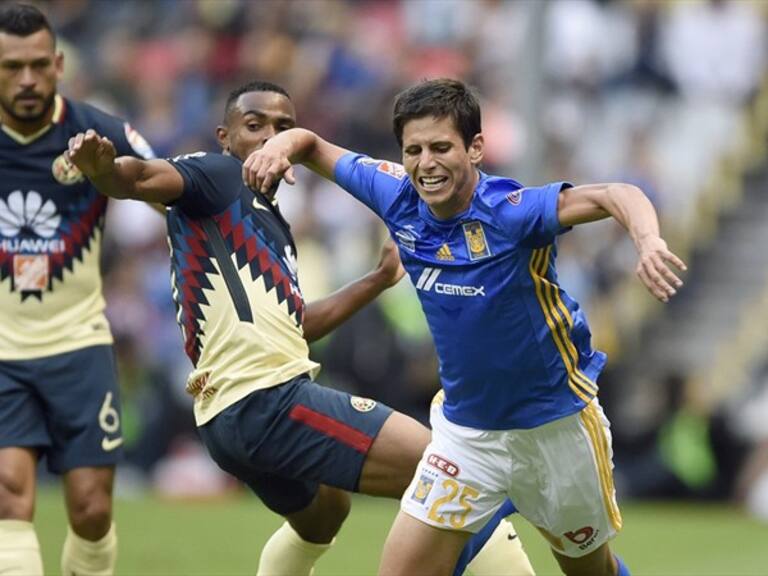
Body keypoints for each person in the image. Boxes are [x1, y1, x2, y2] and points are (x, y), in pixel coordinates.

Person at [67, 80, 535, 576]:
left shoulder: (261, 221)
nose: (270, 137)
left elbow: (297, 327)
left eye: (283, 127)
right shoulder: (215, 175)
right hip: (264, 400)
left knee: (325, 513)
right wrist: (104, 170)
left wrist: (376, 281)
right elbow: (139, 176)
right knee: (448, 471)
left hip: (230, 420)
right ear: (225, 137)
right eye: (255, 125)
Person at [239, 78, 689, 576]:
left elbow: (617, 193)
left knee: (590, 571)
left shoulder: (512, 212)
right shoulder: (396, 195)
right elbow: (311, 144)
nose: (425, 163)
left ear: (475, 148)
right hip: (466, 436)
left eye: (440, 148)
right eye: (413, 150)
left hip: (555, 431)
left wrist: (647, 241)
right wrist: (280, 145)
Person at [0, 4, 155, 576]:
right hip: (3, 351)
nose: (27, 79)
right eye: (11, 67)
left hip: (79, 344)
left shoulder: (97, 133)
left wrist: (110, 175)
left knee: (91, 511)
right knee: (8, 495)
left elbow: (173, 188)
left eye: (39, 65)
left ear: (59, 64)